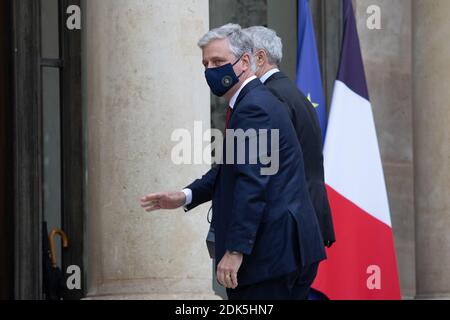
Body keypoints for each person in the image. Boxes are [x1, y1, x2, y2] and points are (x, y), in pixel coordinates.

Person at [140, 23, 325, 300]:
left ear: (246, 61)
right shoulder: (255, 101)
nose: (211, 70)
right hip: (283, 254)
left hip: (269, 257)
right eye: (206, 63)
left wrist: (235, 250)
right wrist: (185, 195)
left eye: (219, 61)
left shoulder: (254, 107)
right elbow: (232, 167)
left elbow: (253, 183)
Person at [244, 26, 336, 248]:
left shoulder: (270, 95)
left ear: (260, 57)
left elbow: (266, 165)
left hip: (288, 221)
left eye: (242, 57)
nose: (238, 65)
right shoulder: (293, 93)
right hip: (305, 216)